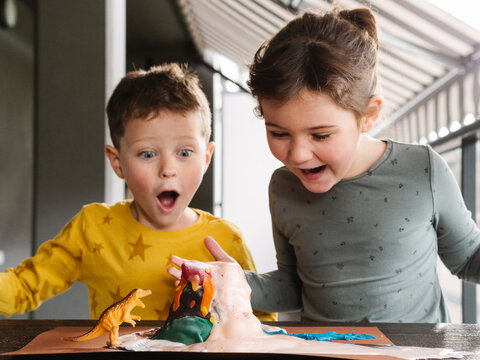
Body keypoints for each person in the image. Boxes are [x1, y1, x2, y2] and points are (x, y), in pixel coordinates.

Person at [170, 8, 480, 323]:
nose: (299, 154)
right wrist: (240, 283)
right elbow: (293, 287)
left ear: (369, 115)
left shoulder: (422, 169)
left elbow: (468, 259)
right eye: (278, 133)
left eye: (320, 135)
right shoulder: (283, 186)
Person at [0, 63, 275, 321]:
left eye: (184, 152)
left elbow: (261, 324)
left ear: (206, 158)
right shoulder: (91, 227)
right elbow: (23, 288)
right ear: (117, 162)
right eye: (147, 154)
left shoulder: (226, 240)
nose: (168, 169)